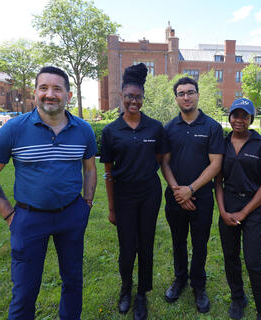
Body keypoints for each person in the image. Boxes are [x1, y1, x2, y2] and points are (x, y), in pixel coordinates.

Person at [0, 66, 97, 320]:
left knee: (73, 281)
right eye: (43, 88)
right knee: (24, 291)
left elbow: (89, 169)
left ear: (69, 95)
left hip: (71, 215)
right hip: (29, 219)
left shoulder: (84, 130)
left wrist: (86, 203)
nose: (49, 94)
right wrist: (10, 216)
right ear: (35, 93)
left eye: (57, 89)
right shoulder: (14, 129)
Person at [100, 63, 165, 320]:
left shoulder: (155, 127)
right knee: (127, 247)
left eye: (138, 97)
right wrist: (112, 207)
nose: (133, 101)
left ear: (143, 98)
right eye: (129, 97)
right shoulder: (110, 131)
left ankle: (142, 295)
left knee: (146, 244)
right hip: (124, 195)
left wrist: (145, 175)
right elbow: (107, 171)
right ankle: (126, 289)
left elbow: (159, 159)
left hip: (149, 194)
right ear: (121, 97)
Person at [161, 77, 225, 313]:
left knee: (200, 244)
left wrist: (191, 190)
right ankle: (180, 280)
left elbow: (216, 164)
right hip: (175, 197)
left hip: (202, 198)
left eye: (190, 92)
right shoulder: (168, 129)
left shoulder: (212, 127)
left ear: (198, 95)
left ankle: (198, 285)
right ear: (176, 98)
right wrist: (179, 191)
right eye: (181, 93)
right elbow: (164, 163)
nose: (186, 97)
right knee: (178, 242)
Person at [214, 98, 261, 320]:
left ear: (251, 118)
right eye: (235, 115)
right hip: (229, 204)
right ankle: (238, 298)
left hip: (254, 208)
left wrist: (244, 213)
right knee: (230, 256)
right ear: (230, 117)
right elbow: (218, 181)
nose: (239, 120)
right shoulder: (222, 144)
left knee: (252, 260)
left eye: (244, 115)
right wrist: (223, 211)